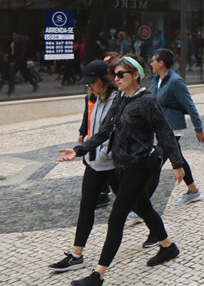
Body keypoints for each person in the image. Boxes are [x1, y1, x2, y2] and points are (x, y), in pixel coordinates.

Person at [55, 54, 185, 286]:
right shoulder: (121, 99)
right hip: (122, 166)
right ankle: (168, 247)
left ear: (136, 75)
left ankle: (98, 275)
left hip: (140, 165)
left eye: (121, 74)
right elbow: (104, 132)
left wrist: (177, 164)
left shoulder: (147, 101)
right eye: (114, 75)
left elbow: (164, 132)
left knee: (116, 218)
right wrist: (79, 150)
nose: (116, 78)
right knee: (144, 207)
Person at [48, 61, 123, 273]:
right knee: (86, 205)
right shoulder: (95, 98)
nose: (89, 86)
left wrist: (85, 149)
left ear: (102, 79)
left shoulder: (117, 100)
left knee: (137, 204)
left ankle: (163, 240)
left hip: (113, 164)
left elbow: (107, 133)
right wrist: (82, 148)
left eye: (92, 82)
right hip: (94, 163)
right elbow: (93, 129)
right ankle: (76, 255)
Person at [147, 49, 204, 209]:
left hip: (172, 128)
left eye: (153, 60)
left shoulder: (175, 82)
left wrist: (198, 128)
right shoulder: (155, 80)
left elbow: (189, 105)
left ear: (161, 63)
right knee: (177, 155)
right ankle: (193, 191)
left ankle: (141, 207)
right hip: (160, 127)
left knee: (155, 163)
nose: (151, 63)